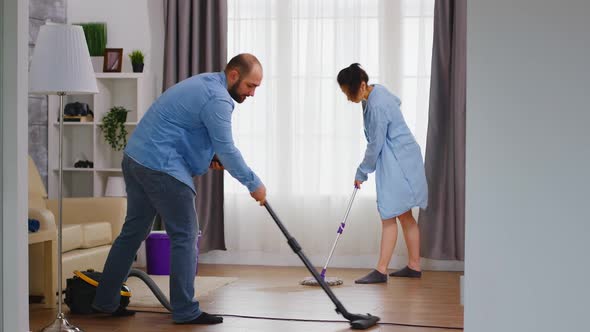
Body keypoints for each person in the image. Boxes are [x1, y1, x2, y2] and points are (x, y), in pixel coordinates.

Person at [92, 53, 267, 324]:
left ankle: (104, 301)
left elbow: (183, 130)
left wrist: (209, 158)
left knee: (132, 233)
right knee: (185, 235)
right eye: (250, 86)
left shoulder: (206, 83)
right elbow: (228, 150)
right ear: (233, 75)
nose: (253, 93)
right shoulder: (218, 98)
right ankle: (185, 311)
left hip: (136, 159)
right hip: (161, 166)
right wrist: (254, 184)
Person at [337, 63, 428, 284]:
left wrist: (362, 172)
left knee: (389, 214)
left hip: (398, 159)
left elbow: (375, 143)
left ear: (361, 84)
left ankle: (381, 270)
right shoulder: (375, 92)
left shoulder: (376, 105)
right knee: (404, 214)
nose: (348, 98)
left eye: (349, 92)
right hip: (400, 155)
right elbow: (396, 101)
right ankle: (414, 266)